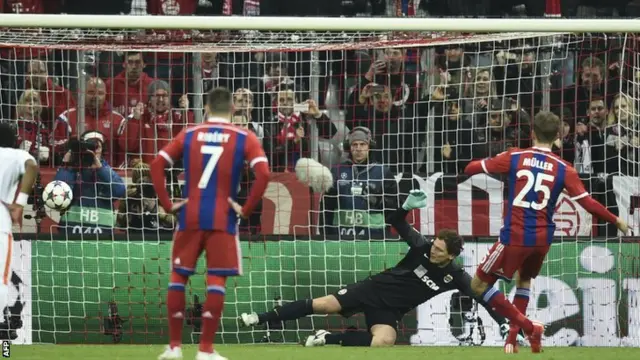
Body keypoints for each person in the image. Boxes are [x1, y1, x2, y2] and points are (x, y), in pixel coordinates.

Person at [240, 190, 514, 347]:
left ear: (451, 255)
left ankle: (328, 338)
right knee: (322, 305)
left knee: (383, 341)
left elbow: (483, 295)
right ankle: (260, 318)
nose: (433, 250)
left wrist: (502, 322)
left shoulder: (455, 275)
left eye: (439, 250)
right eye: (434, 245)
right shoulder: (421, 245)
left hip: (390, 310)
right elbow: (395, 221)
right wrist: (406, 206)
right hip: (372, 289)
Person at [464, 110, 628, 354]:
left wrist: (492, 161)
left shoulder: (515, 156)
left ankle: (529, 327)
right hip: (542, 239)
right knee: (524, 280)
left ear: (532, 133)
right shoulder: (565, 168)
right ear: (558, 136)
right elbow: (587, 204)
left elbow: (470, 169)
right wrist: (617, 220)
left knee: (477, 286)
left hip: (514, 236)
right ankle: (511, 340)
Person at [150, 87, 270, 360]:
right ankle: (205, 350)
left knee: (178, 276)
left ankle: (174, 347)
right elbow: (263, 173)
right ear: (232, 110)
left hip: (190, 214)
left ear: (205, 108)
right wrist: (246, 208)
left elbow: (157, 163)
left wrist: (168, 204)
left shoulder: (189, 134)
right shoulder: (244, 136)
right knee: (216, 278)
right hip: (222, 216)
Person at [0, 123, 38, 319]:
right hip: (1, 222)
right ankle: (2, 345)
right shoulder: (15, 155)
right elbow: (32, 166)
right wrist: (20, 202)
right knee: (1, 280)